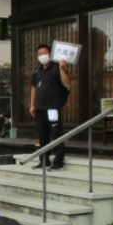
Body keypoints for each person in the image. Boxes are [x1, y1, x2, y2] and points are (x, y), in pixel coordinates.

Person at [30, 43, 71, 171]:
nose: (42, 55)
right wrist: (32, 104)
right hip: (40, 108)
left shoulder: (56, 68)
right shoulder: (37, 71)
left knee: (56, 134)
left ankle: (58, 161)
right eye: (39, 54)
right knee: (43, 136)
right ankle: (44, 160)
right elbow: (33, 87)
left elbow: (67, 83)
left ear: (50, 54)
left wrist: (63, 68)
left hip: (53, 107)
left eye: (44, 53)